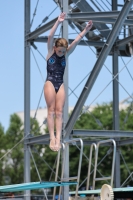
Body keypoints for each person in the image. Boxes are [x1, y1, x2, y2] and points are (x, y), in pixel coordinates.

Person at [44, 12, 93, 151]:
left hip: (60, 83)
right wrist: (58, 22)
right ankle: (51, 137)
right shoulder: (50, 52)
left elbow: (76, 41)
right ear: (55, 48)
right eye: (59, 51)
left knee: (59, 112)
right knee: (51, 111)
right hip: (50, 82)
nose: (61, 53)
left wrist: (85, 30)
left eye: (63, 51)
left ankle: (58, 138)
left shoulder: (65, 53)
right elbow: (50, 36)